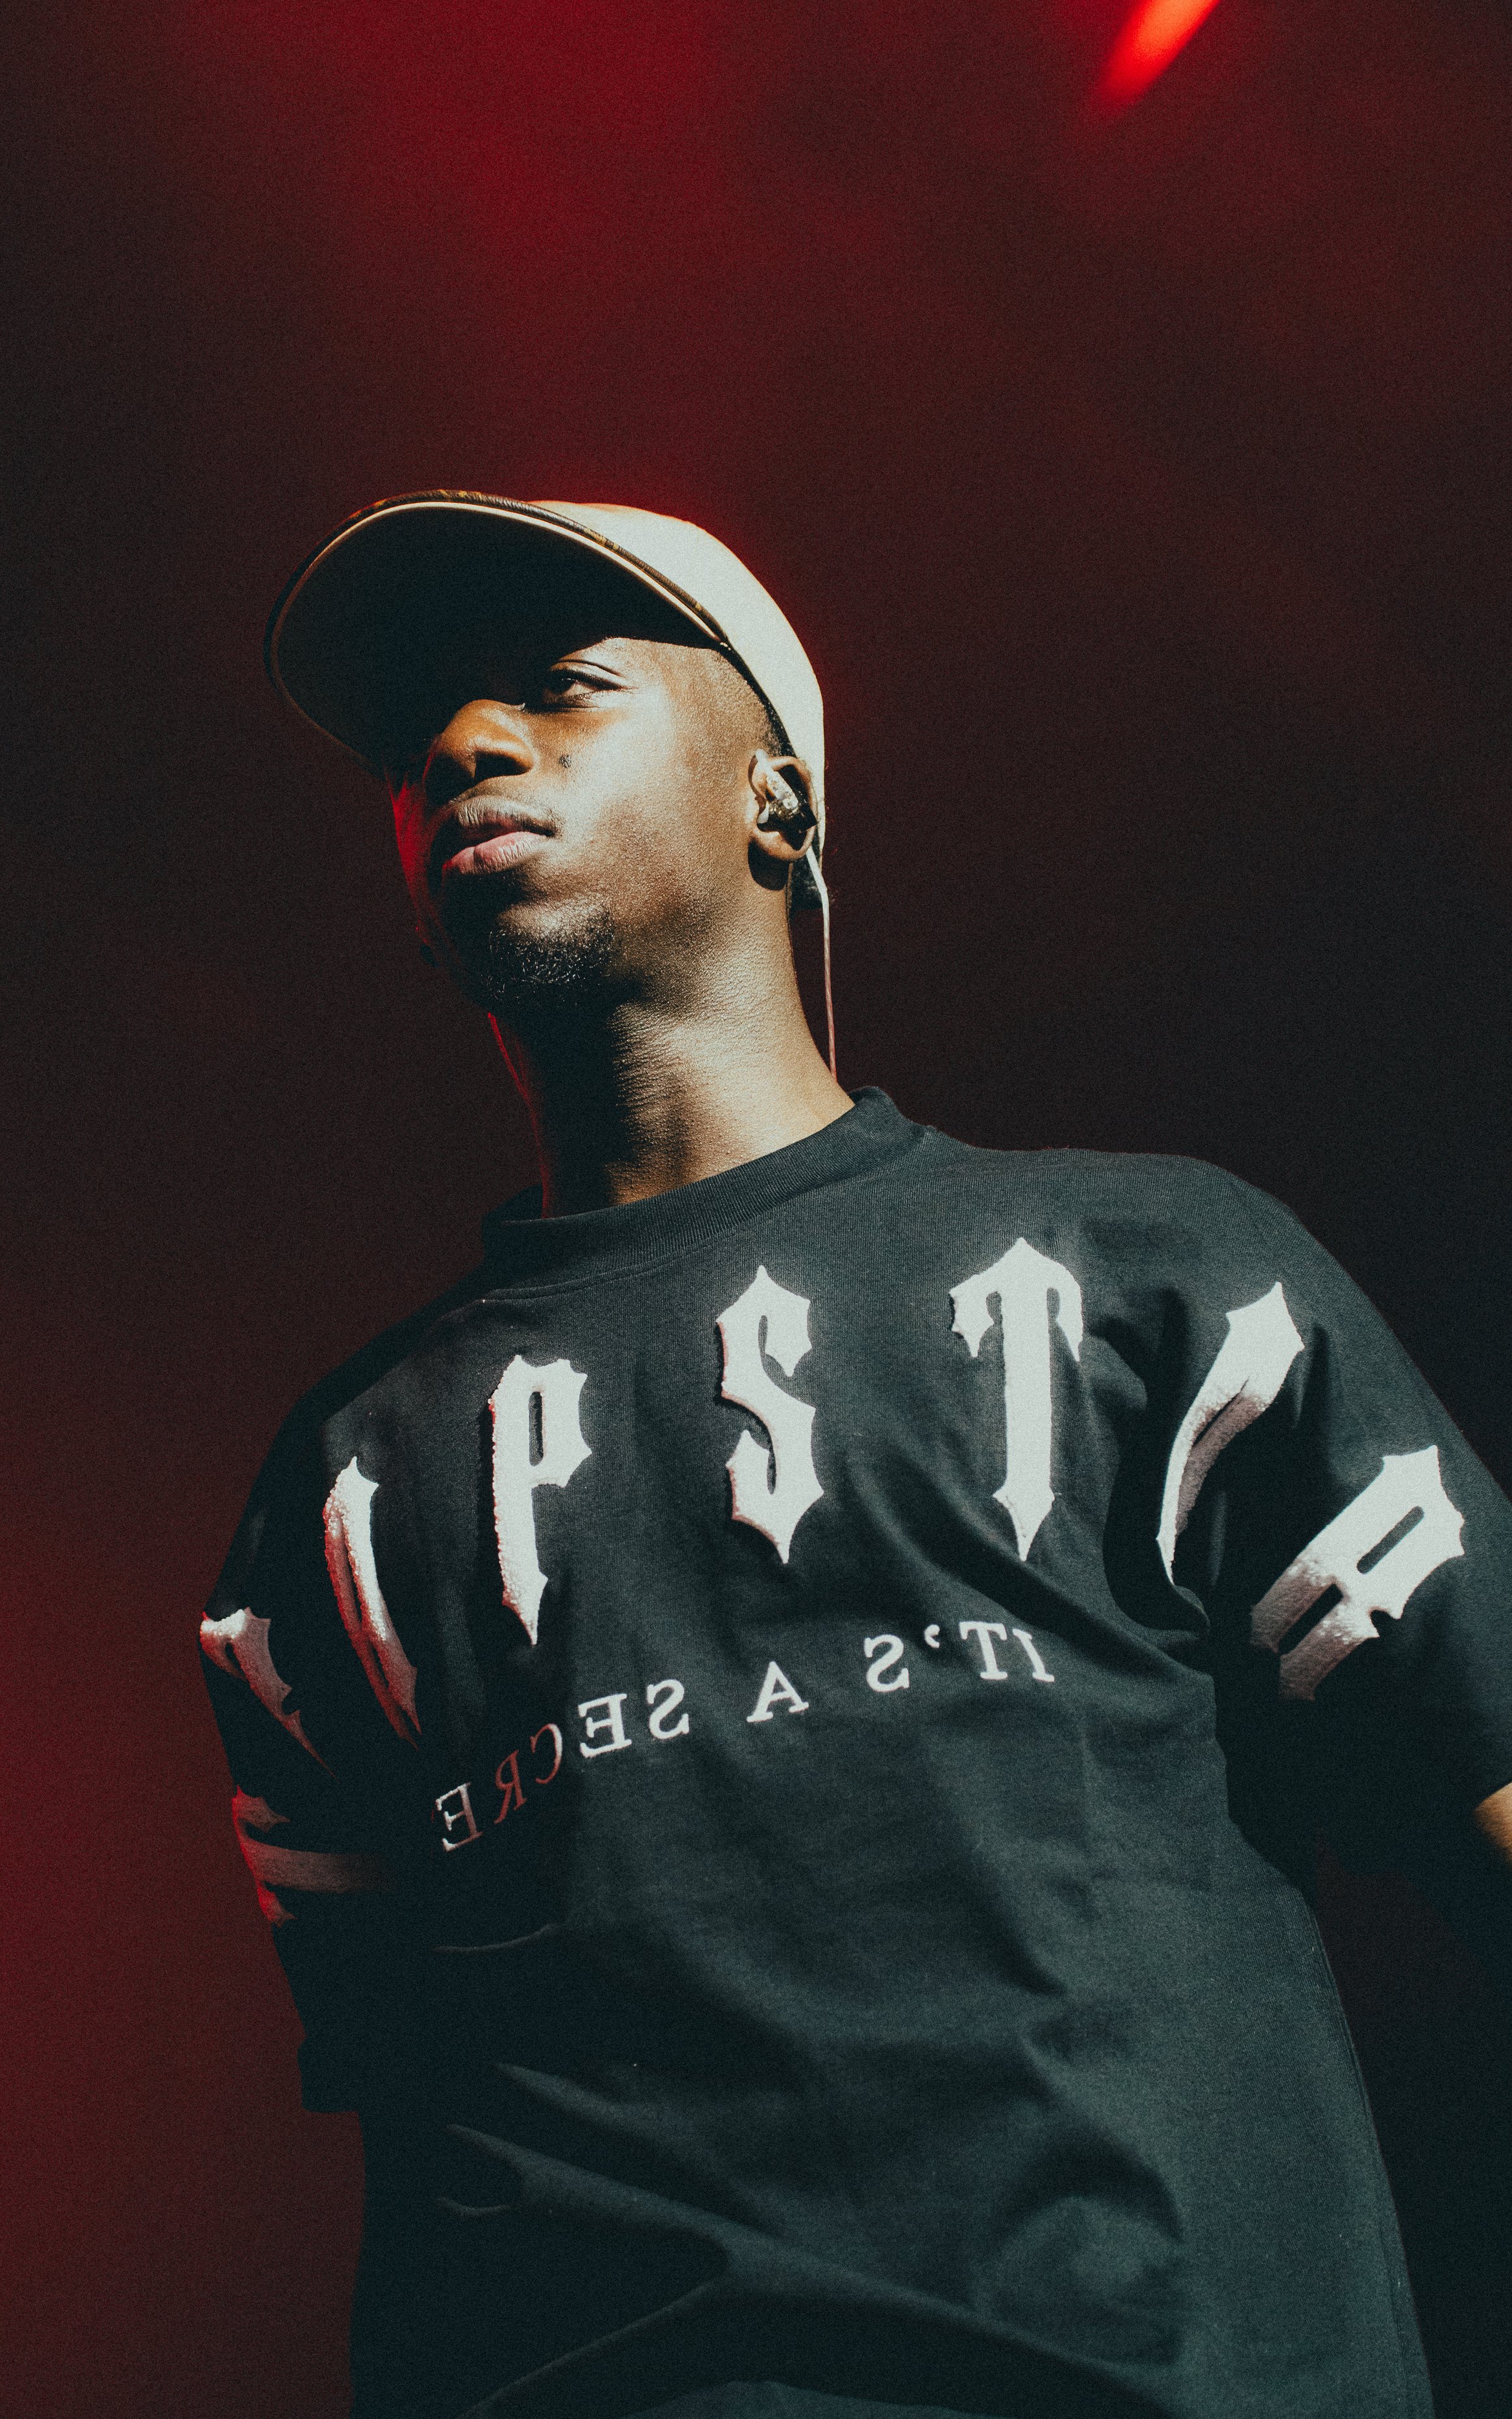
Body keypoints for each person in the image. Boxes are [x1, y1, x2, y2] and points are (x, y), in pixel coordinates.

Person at [202, 492, 1512, 2419]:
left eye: (563, 693)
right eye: (423, 746)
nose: (468, 749)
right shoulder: (340, 1489)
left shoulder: (1150, 1280)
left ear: (778, 804)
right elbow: (415, 2110)